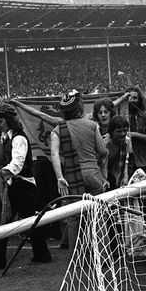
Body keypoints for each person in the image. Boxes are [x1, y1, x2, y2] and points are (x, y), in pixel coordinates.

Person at [0, 101, 52, 268]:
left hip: (24, 186)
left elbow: (17, 164)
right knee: (5, 220)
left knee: (29, 222)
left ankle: (40, 254)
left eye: (0, 121)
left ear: (8, 120)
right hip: (13, 184)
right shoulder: (5, 136)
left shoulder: (19, 138)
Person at [49, 89, 107, 250]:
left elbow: (54, 153)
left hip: (72, 177)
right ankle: (102, 257)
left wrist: (59, 177)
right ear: (80, 107)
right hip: (93, 174)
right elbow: (102, 151)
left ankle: (76, 259)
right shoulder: (92, 125)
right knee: (98, 214)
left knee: (74, 217)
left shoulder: (58, 130)